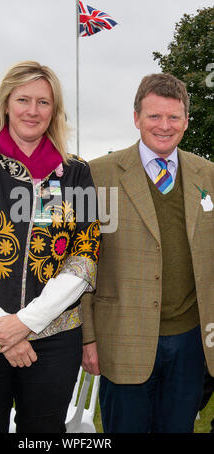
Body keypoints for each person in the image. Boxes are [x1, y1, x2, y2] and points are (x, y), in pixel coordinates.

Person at [0, 60, 100, 433]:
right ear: (6, 103)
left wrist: (27, 323)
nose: (32, 110)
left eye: (43, 102)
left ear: (54, 110)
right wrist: (4, 332)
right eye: (23, 99)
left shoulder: (76, 173)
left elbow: (84, 257)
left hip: (53, 340)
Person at [82, 73, 214, 433]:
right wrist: (87, 337)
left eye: (173, 117)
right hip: (122, 339)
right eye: (154, 116)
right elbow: (76, 262)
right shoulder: (96, 175)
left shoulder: (208, 175)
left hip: (190, 343)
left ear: (186, 121)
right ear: (136, 118)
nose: (164, 126)